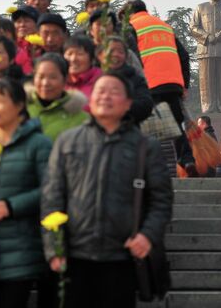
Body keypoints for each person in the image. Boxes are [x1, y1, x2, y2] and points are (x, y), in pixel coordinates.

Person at [41, 73, 173, 307]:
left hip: (122, 258)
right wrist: (54, 247)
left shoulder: (145, 147)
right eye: (100, 91)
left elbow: (161, 200)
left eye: (114, 91)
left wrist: (147, 235)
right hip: (74, 256)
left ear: (128, 103)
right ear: (90, 100)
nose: (106, 96)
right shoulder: (68, 141)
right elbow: (52, 197)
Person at [0, 79, 51, 308]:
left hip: (22, 251)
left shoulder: (38, 144)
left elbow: (49, 190)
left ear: (19, 105)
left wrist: (11, 206)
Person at [128, 0, 197, 174]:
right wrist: (184, 85)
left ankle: (150, 166)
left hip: (149, 83)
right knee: (178, 123)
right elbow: (185, 56)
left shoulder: (131, 27)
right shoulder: (163, 26)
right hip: (173, 83)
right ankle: (187, 158)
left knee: (147, 127)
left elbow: (130, 58)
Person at [26, 53, 89, 141]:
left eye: (53, 77)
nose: (45, 83)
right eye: (41, 77)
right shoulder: (19, 109)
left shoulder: (81, 119)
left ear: (65, 79)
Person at [97, 36, 154, 124]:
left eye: (120, 52)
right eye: (111, 51)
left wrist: (119, 106)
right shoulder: (93, 79)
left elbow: (146, 105)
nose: (116, 54)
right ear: (100, 55)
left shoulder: (135, 79)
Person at [63, 35, 102, 108]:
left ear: (91, 58)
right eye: (69, 54)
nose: (73, 59)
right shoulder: (58, 79)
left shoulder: (101, 80)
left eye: (80, 54)